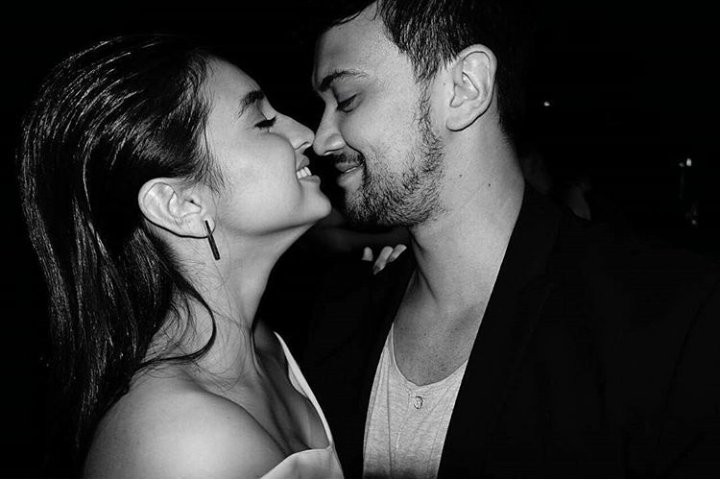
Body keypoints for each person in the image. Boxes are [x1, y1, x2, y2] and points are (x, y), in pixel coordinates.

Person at [301, 0, 720, 477]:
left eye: (348, 98)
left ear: (465, 87)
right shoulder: (340, 312)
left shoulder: (668, 320)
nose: (322, 138)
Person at [18, 34, 345, 478]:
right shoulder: (185, 441)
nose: (306, 135)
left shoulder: (265, 348)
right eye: (262, 122)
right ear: (183, 205)